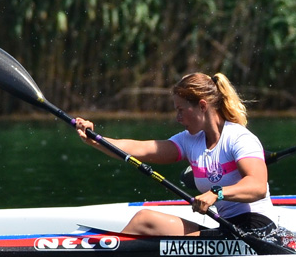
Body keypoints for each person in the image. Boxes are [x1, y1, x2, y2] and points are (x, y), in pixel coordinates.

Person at [71, 72, 279, 237]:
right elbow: (139, 149)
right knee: (145, 219)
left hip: (257, 229)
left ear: (202, 106)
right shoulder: (190, 140)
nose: (177, 118)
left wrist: (216, 193)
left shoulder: (239, 138)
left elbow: (258, 186)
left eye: (181, 110)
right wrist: (94, 139)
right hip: (227, 228)